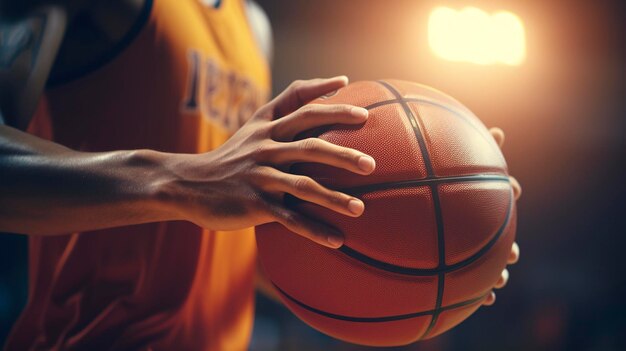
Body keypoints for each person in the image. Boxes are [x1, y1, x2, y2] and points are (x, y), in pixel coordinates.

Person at [0, 0, 521, 349]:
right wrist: (181, 180)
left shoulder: (252, 26)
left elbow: (214, 241)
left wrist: (437, 258)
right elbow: (197, 190)